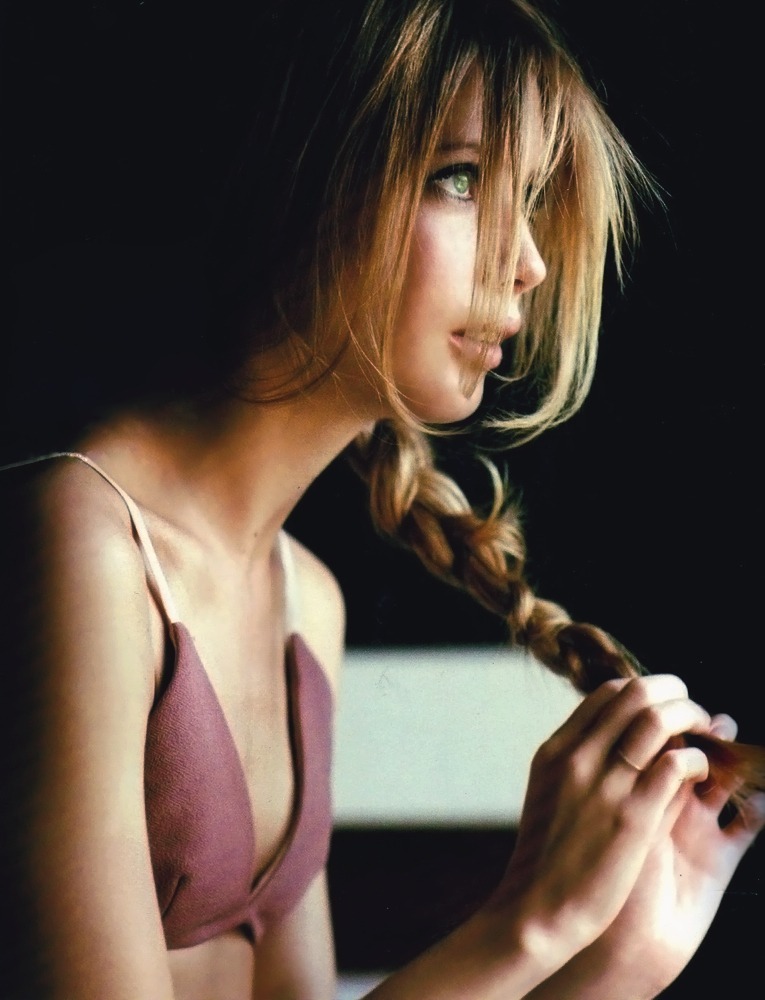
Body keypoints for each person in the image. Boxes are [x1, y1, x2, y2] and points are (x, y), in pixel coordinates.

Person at [1, 1, 763, 998]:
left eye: (531, 197)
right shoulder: (78, 543)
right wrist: (530, 921)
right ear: (310, 173)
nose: (529, 261)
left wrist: (616, 961)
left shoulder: (305, 603)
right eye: (462, 179)